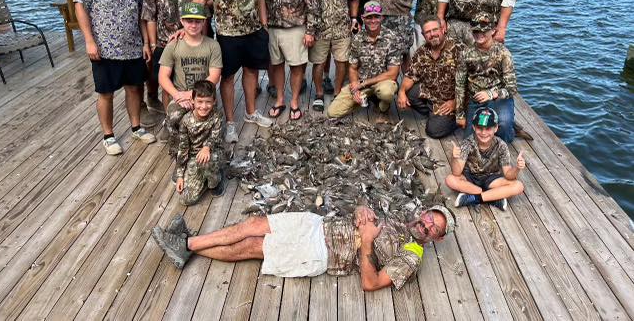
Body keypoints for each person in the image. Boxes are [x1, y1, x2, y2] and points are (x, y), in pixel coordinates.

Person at [152, 204, 455, 291]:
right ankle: (188, 243)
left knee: (253, 246)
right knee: (254, 223)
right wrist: (361, 209)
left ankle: (183, 244)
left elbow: (371, 283)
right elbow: (364, 213)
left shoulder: (412, 256)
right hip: (317, 224)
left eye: (434, 229)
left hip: (322, 254)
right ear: (425, 212)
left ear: (437, 238)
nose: (427, 225)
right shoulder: (403, 216)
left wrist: (365, 244)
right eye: (431, 218)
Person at [74, 0, 156, 155]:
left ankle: (136, 127)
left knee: (134, 88)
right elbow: (80, 6)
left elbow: (141, 15)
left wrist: (145, 42)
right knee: (106, 92)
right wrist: (89, 41)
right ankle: (108, 136)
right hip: (104, 47)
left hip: (132, 45)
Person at [192, 0, 272, 144]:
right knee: (227, 78)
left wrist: (264, 25)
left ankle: (251, 112)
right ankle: (229, 122)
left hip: (253, 30)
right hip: (227, 33)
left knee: (251, 72)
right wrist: (188, 27)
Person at [262, 0, 318, 121]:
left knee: (296, 67)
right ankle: (280, 100)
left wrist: (310, 30)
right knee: (276, 65)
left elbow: (312, 1)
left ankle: (294, 101)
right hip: (272, 28)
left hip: (296, 26)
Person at [158, 2, 222, 174]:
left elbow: (214, 76)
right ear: (182, 21)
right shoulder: (173, 45)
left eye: (197, 21)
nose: (193, 25)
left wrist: (193, 96)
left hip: (203, 97)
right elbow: (163, 76)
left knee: (212, 121)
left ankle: (206, 150)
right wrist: (177, 95)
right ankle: (178, 155)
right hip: (181, 96)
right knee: (174, 117)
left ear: (204, 22)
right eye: (189, 21)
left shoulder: (212, 45)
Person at [141, 0, 200, 115]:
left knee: (191, 81)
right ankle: (169, 119)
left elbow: (201, 13)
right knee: (167, 86)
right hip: (163, 44)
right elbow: (150, 17)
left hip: (189, 42)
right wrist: (152, 45)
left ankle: (192, 117)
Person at [308, 0, 361, 112]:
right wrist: (310, 28)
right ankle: (319, 94)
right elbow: (308, 0)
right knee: (319, 62)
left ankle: (338, 92)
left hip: (342, 26)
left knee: (341, 61)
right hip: (319, 27)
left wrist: (354, 18)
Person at [327, 1, 400, 122]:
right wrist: (355, 89)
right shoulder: (357, 39)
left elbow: (393, 73)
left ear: (382, 17)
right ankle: (364, 99)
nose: (373, 21)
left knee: (386, 92)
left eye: (376, 17)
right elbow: (353, 68)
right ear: (363, 18)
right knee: (332, 112)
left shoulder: (392, 38)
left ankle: (382, 108)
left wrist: (364, 84)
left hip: (382, 83)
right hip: (361, 83)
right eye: (369, 17)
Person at [446, 106, 525, 211]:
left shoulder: (501, 145)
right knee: (450, 179)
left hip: (491, 179)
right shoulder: (467, 143)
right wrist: (454, 158)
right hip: (470, 178)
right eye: (480, 128)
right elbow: (457, 173)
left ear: (496, 128)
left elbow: (508, 175)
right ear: (474, 127)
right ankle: (493, 197)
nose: (483, 133)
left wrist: (517, 168)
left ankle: (474, 198)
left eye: (488, 129)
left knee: (519, 186)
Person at [455, 14, 517, 142]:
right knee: (470, 140)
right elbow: (459, 85)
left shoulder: (504, 53)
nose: (479, 34)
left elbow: (512, 88)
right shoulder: (465, 53)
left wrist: (491, 94)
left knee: (504, 127)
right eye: (476, 31)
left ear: (493, 30)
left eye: (483, 30)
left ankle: (511, 130)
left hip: (499, 99)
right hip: (476, 100)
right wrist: (459, 114)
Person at [398, 16, 459, 139]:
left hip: (451, 100)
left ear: (442, 29)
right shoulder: (422, 51)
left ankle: (454, 118)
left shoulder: (458, 49)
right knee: (408, 91)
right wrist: (401, 91)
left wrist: (455, 102)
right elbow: (411, 75)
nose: (432, 34)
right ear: (423, 35)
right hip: (431, 94)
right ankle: (434, 113)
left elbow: (470, 82)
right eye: (427, 32)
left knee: (433, 131)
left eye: (435, 30)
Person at [174, 80, 225, 205]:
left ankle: (215, 181)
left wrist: (207, 147)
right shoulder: (186, 121)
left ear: (214, 102)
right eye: (200, 101)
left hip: (213, 153)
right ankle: (203, 180)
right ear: (192, 101)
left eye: (208, 102)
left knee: (208, 160)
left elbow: (216, 136)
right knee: (185, 200)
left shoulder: (217, 116)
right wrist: (180, 175)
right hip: (194, 157)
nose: (204, 106)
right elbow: (183, 148)